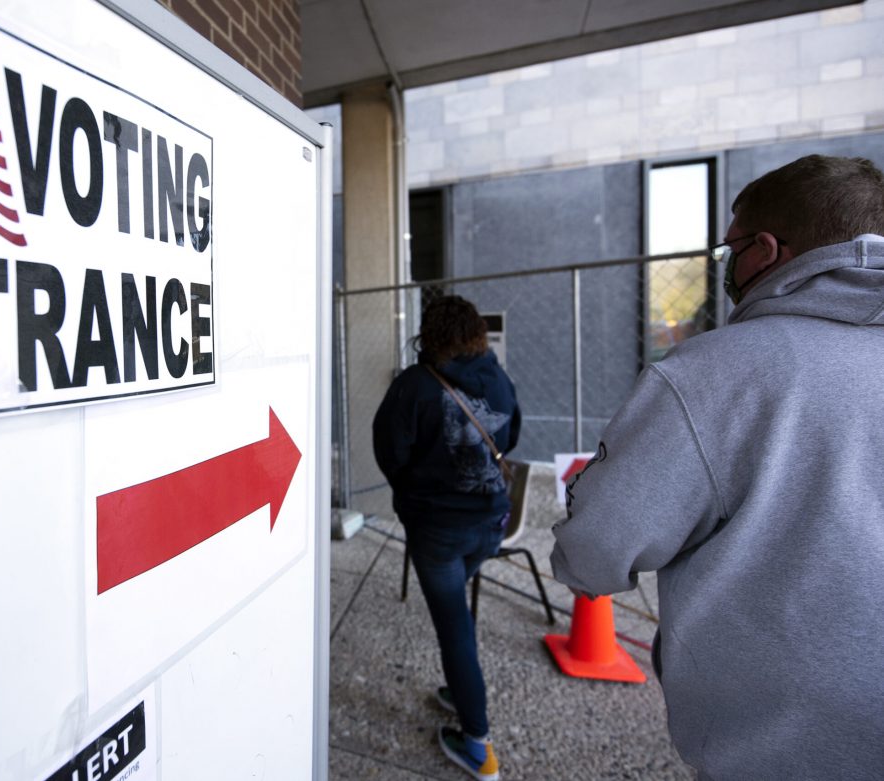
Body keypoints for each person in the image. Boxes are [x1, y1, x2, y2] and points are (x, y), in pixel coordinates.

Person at [550, 154, 884, 781]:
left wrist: (579, 560)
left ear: (763, 250)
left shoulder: (714, 374)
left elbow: (598, 546)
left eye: (728, 249)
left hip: (779, 752)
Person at [373, 294, 521, 781]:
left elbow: (389, 452)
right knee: (457, 615)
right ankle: (462, 687)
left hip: (437, 531)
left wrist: (416, 489)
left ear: (429, 333)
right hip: (490, 523)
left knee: (453, 625)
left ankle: (478, 748)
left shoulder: (414, 387)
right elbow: (512, 436)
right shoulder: (497, 379)